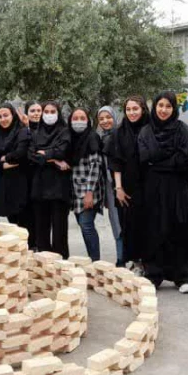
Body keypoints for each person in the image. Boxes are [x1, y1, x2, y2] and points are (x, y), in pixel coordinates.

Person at [138, 92, 188, 292]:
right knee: (153, 229)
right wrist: (168, 159)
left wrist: (158, 160)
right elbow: (145, 157)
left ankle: (183, 276)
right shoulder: (146, 131)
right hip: (153, 188)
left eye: (168, 106)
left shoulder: (183, 130)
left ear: (174, 109)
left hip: (178, 189)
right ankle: (153, 274)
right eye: (160, 105)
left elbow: (185, 159)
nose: (163, 110)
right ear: (154, 107)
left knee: (180, 229)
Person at [105, 96, 150, 270]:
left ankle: (151, 264)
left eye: (135, 109)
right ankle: (136, 262)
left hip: (150, 186)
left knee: (149, 225)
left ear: (143, 109)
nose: (132, 112)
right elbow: (116, 162)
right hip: (127, 188)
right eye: (128, 109)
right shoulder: (119, 132)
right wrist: (118, 188)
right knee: (130, 226)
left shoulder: (151, 128)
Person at [29, 101, 72, 257]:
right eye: (46, 111)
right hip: (39, 187)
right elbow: (31, 156)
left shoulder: (65, 131)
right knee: (41, 227)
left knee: (60, 228)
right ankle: (44, 263)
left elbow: (62, 151)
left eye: (52, 111)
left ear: (58, 113)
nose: (49, 114)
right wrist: (52, 158)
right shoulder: (35, 133)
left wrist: (44, 154)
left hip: (59, 187)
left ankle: (60, 262)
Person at [69, 108, 105, 261]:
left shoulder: (92, 137)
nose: (78, 120)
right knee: (83, 226)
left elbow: (95, 166)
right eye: (75, 117)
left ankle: (96, 262)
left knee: (86, 225)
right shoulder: (69, 137)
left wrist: (89, 192)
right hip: (74, 191)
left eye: (82, 117)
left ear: (88, 120)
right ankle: (92, 260)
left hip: (89, 190)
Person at [0, 103, 31, 225]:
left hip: (22, 180)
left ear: (13, 115)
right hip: (5, 181)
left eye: (6, 115)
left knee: (24, 219)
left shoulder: (22, 130)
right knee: (11, 219)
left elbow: (21, 152)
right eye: (0, 116)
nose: (3, 119)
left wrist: (6, 157)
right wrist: (2, 164)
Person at [97, 106, 124, 266]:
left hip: (123, 185)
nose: (105, 121)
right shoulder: (100, 138)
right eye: (101, 119)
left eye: (108, 117)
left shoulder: (121, 136)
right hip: (108, 187)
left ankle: (133, 258)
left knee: (127, 222)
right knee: (116, 223)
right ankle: (120, 258)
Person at [19, 101, 42, 247]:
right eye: (32, 110)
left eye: (39, 110)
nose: (36, 113)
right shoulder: (20, 130)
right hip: (24, 177)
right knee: (25, 214)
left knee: (39, 215)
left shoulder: (48, 130)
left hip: (41, 178)